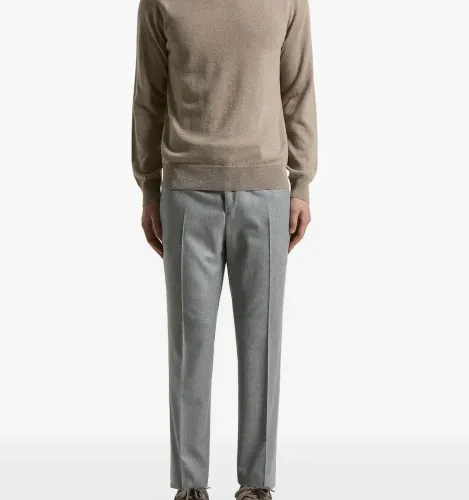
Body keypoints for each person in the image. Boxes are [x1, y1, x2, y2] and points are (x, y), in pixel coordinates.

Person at [131, 0, 317, 496]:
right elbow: (149, 96)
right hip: (186, 191)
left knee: (262, 345)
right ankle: (190, 486)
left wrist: (301, 183)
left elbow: (298, 89)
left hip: (267, 190)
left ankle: (257, 485)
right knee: (190, 346)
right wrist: (149, 187)